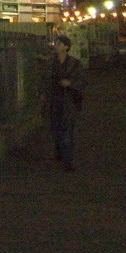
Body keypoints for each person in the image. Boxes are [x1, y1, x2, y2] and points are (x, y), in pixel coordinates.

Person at [47, 35, 86, 173]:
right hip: (55, 101)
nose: (56, 46)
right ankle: (60, 151)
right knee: (56, 130)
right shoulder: (51, 63)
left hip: (69, 102)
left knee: (68, 133)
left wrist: (70, 84)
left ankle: (68, 161)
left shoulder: (75, 64)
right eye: (55, 43)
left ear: (66, 47)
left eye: (59, 44)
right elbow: (45, 80)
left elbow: (82, 82)